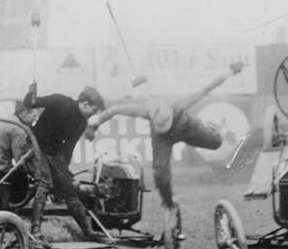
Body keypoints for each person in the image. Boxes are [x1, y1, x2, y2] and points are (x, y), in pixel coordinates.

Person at [84, 61, 245, 212]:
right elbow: (115, 110)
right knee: (160, 172)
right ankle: (168, 202)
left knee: (216, 142)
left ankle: (210, 128)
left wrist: (230, 71)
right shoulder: (144, 109)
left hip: (186, 127)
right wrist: (93, 125)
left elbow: (208, 87)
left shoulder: (181, 103)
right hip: (162, 138)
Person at [24, 83, 108, 243]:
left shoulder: (81, 123)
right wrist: (31, 93)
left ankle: (87, 231)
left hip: (54, 154)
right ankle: (35, 230)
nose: (92, 116)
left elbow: (67, 151)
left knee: (69, 189)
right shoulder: (60, 101)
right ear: (85, 104)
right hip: (35, 146)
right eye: (93, 111)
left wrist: (65, 176)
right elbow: (31, 103)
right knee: (45, 182)